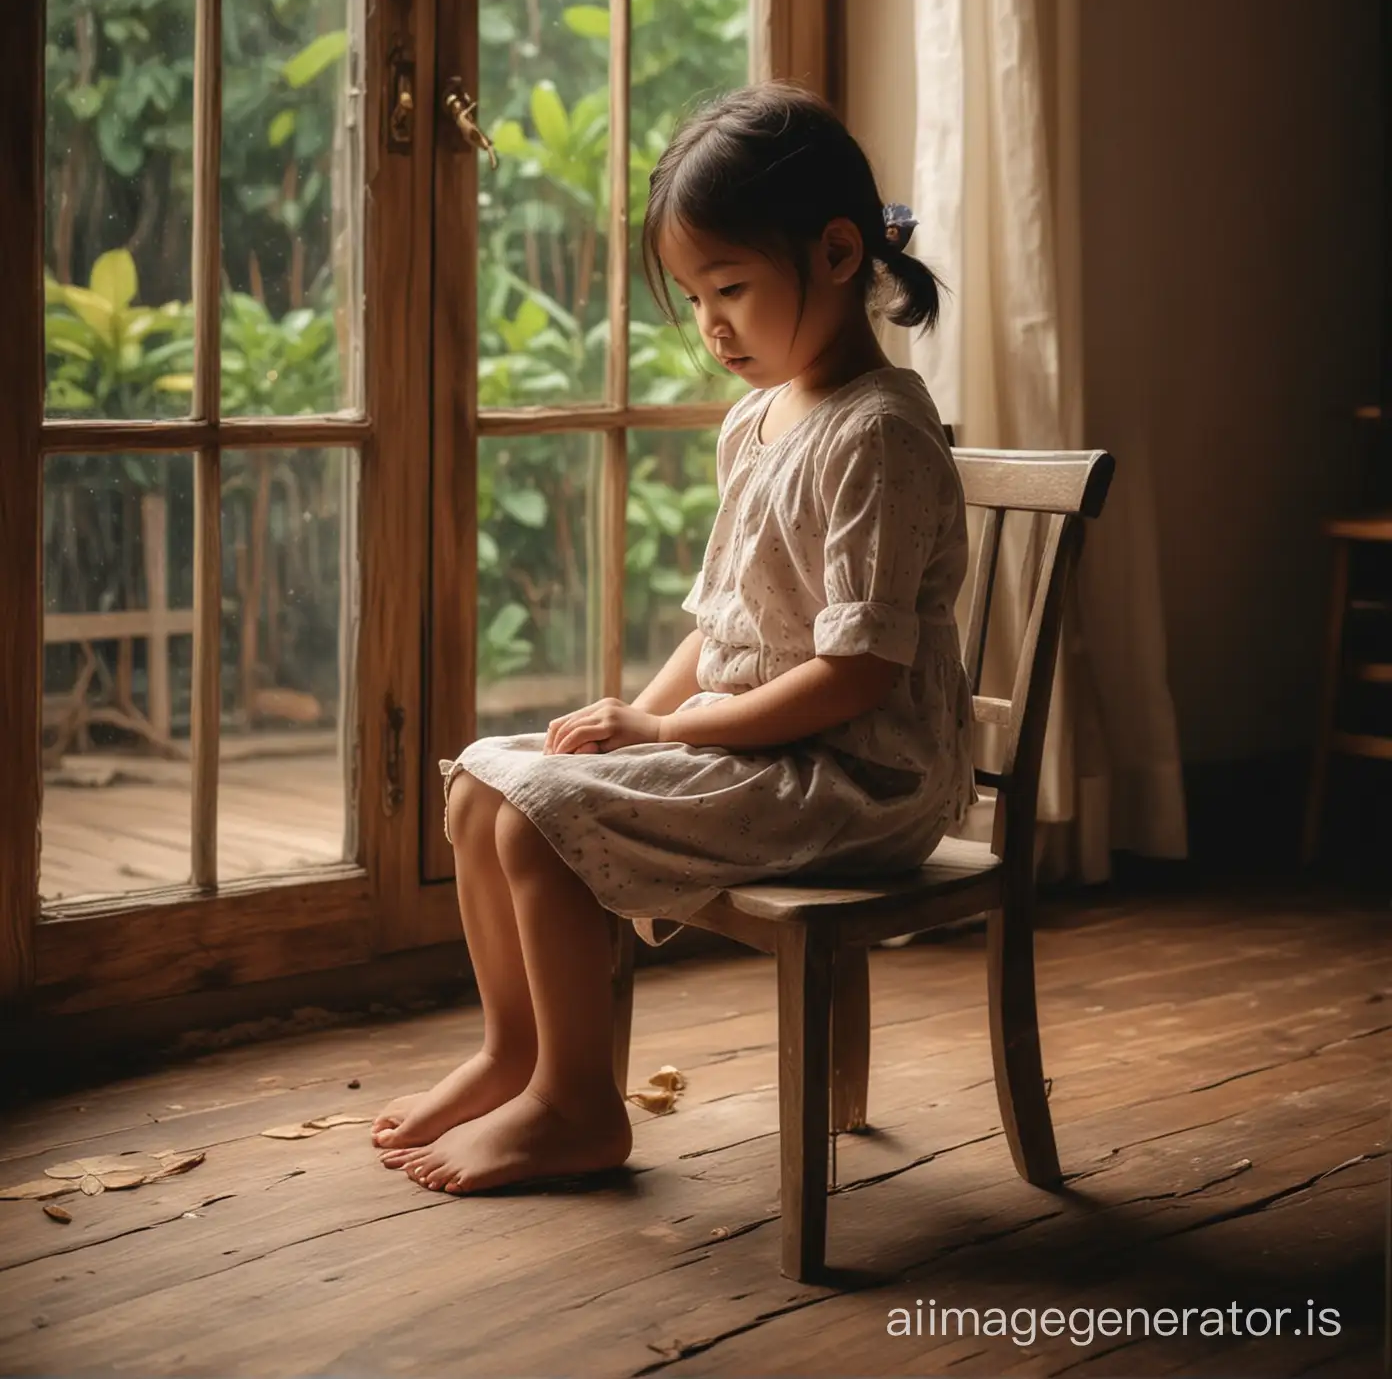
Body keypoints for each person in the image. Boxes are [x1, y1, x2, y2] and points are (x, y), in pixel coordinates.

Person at [373, 81, 976, 1196]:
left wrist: (660, 727)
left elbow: (856, 676)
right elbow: (722, 623)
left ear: (839, 253)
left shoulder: (881, 437)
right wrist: (625, 727)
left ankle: (577, 1105)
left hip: (858, 778)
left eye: (733, 288)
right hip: (764, 746)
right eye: (696, 297)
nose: (711, 326)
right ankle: (519, 1052)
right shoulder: (759, 420)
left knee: (541, 831)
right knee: (484, 792)